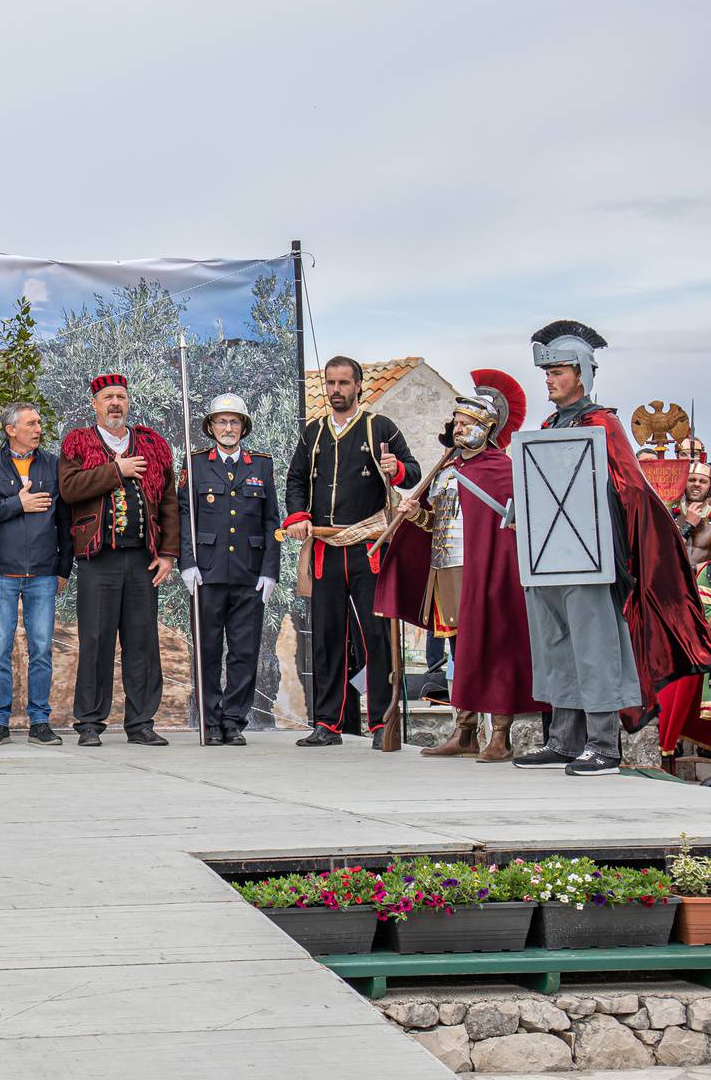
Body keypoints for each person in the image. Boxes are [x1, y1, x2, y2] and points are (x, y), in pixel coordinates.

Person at [514, 321, 711, 775]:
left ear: (581, 372)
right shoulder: (548, 424)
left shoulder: (602, 423)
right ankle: (563, 740)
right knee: (557, 646)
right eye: (546, 372)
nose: (549, 379)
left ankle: (603, 745)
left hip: (591, 558)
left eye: (557, 370)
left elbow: (632, 492)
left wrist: (615, 540)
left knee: (594, 648)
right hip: (549, 558)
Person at [375, 371, 544, 762]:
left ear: (486, 429)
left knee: (497, 649)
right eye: (457, 423)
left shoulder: (503, 470)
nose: (459, 428)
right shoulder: (447, 471)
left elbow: (507, 529)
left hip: (487, 572)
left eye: (467, 423)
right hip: (446, 570)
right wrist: (417, 514)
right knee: (458, 649)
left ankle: (500, 735)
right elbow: (438, 524)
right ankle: (464, 729)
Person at [282, 356, 420, 747]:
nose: (336, 390)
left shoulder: (381, 427)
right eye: (330, 383)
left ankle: (381, 723)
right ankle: (328, 723)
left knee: (375, 635)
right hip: (326, 545)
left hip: (368, 546)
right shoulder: (313, 433)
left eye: (344, 383)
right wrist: (297, 515)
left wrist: (397, 469)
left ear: (359, 385)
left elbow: (411, 471)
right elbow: (295, 479)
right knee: (326, 636)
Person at [59, 373, 180, 748]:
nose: (115, 403)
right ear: (94, 404)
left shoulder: (153, 445)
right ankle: (90, 723)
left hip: (143, 560)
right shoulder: (78, 443)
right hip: (98, 560)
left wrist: (169, 554)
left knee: (142, 642)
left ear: (128, 403)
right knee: (95, 640)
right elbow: (69, 489)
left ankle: (141, 721)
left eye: (121, 397)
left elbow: (170, 502)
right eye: (108, 397)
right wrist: (117, 471)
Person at [177, 393, 279, 746]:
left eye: (235, 421)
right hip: (208, 571)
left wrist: (270, 570)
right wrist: (187, 562)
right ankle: (210, 718)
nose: (228, 427)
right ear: (210, 426)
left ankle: (234, 720)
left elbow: (271, 521)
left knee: (244, 651)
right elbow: (184, 517)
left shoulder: (261, 465)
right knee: (207, 649)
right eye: (221, 421)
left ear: (244, 427)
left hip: (250, 573)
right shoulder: (196, 463)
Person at [0, 401, 63, 744]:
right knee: (0, 648)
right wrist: (19, 503)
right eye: (30, 423)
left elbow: (65, 520)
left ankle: (40, 721)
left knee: (41, 649)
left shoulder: (54, 465)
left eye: (39, 423)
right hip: (2, 572)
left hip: (44, 572)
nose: (38, 429)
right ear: (11, 429)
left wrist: (63, 567)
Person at [673, 460, 711, 579]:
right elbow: (665, 552)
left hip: (704, 587)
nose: (697, 484)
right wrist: (688, 524)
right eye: (691, 480)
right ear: (683, 484)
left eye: (703, 481)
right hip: (674, 583)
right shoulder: (670, 515)